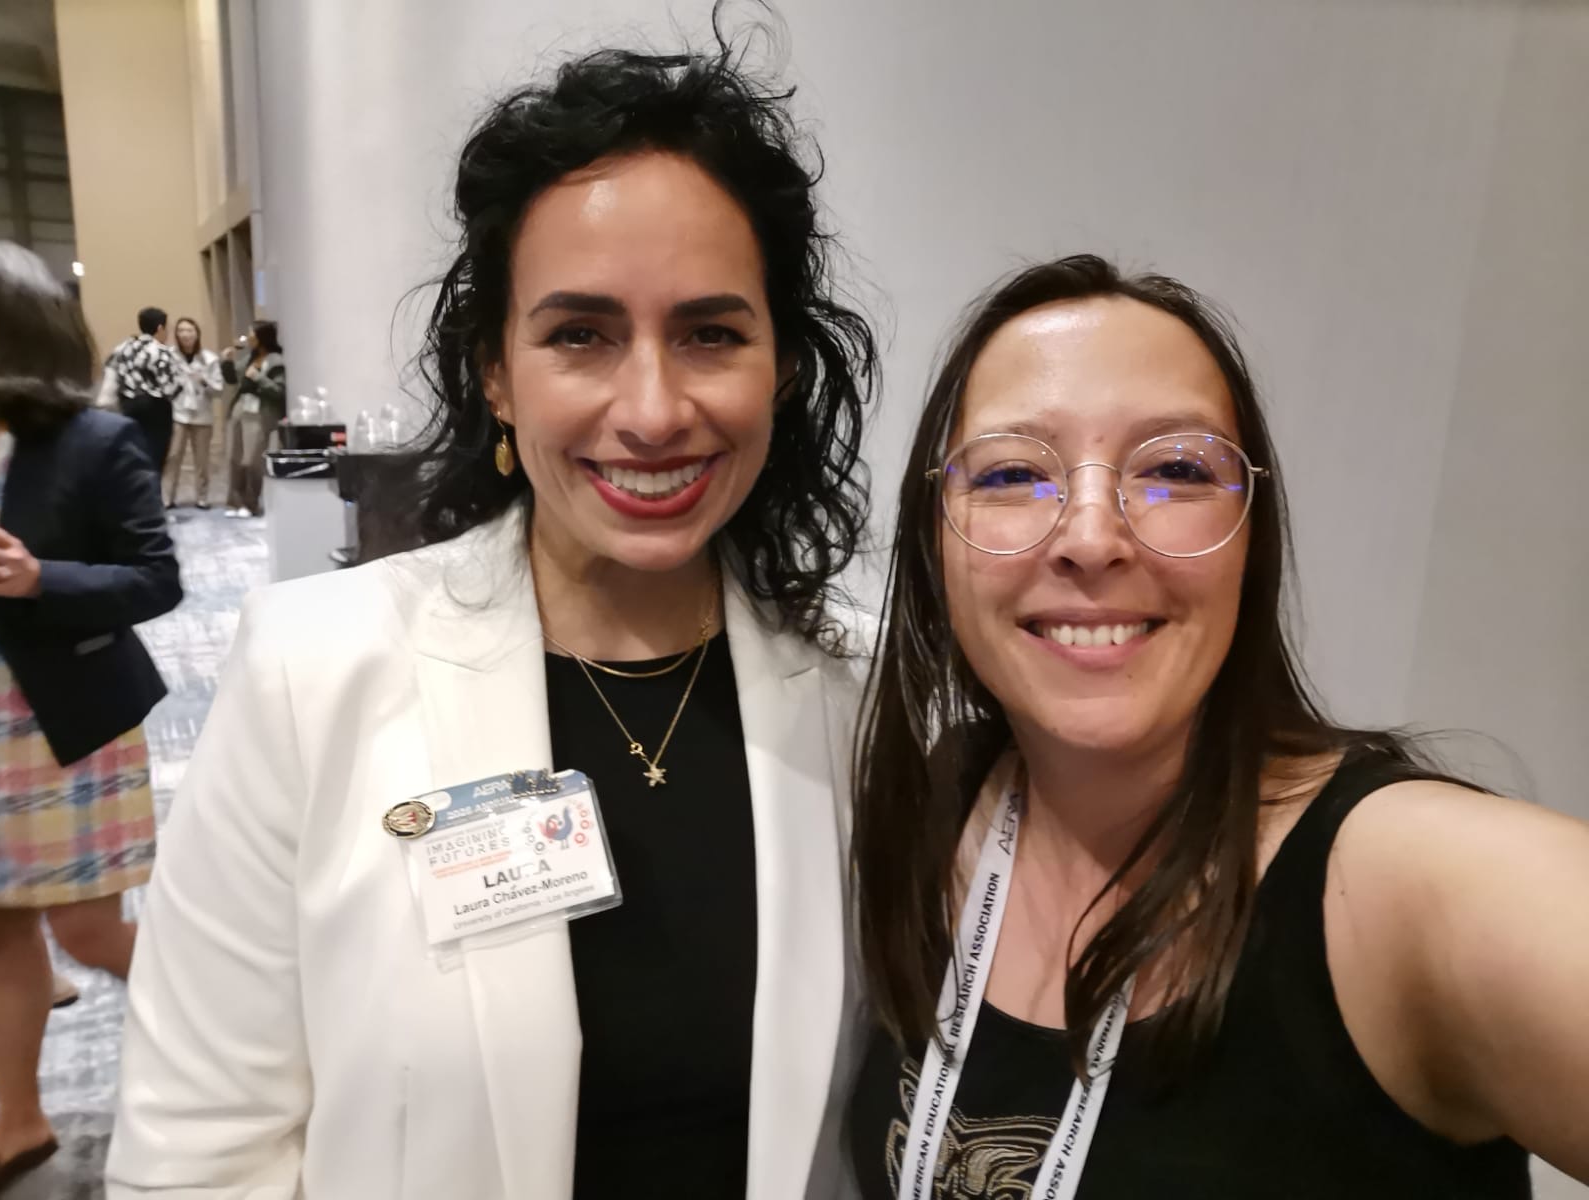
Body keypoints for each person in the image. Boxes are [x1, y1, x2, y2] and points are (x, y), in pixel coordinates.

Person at [109, 32, 877, 1200]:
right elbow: (196, 1151)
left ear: (781, 366)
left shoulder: (860, 689)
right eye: (580, 335)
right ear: (496, 373)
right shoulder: (312, 674)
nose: (652, 409)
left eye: (711, 333)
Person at [847, 254, 1589, 1197]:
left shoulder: (1408, 884)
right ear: (934, 535)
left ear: (1252, 536)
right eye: (1012, 474)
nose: (1090, 538)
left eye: (1175, 470)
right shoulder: (935, 805)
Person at [0, 242, 182, 1196]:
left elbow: (157, 579)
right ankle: (19, 1121)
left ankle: (240, 1025)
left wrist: (40, 579)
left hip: (60, 724)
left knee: (88, 932)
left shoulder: (95, 442)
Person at [102, 306, 184, 473]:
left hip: (127, 405)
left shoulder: (122, 348)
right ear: (160, 328)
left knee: (132, 455)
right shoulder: (161, 351)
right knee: (154, 457)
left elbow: (110, 372)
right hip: (155, 409)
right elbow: (170, 388)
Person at [221, 319, 285, 518]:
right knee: (234, 458)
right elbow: (233, 379)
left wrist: (258, 377)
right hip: (240, 410)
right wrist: (227, 362)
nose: (248, 338)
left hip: (259, 414)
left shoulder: (275, 360)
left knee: (252, 461)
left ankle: (251, 503)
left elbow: (279, 391)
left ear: (262, 337)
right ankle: (235, 503)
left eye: (251, 334)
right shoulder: (250, 357)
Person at [162, 316, 224, 510]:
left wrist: (203, 380)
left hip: (202, 415)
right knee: (173, 457)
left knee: (202, 460)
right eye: (181, 330)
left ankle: (202, 497)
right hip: (178, 413)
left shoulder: (209, 359)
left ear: (197, 334)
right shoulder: (169, 357)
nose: (185, 334)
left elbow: (219, 390)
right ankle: (167, 498)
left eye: (189, 330)